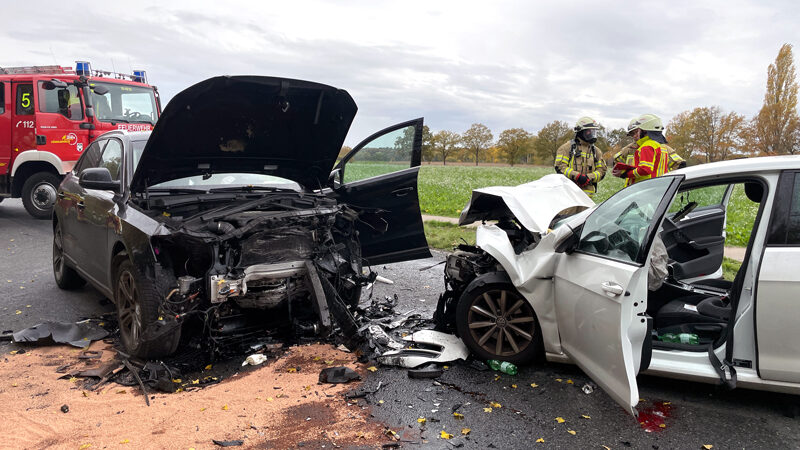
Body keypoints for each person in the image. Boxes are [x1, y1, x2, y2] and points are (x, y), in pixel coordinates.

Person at [613, 117, 687, 187]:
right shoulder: (628, 149)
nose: (634, 136)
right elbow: (616, 163)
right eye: (632, 134)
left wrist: (666, 178)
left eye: (636, 132)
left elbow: (680, 164)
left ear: (643, 130)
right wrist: (623, 173)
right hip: (635, 188)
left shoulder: (658, 147)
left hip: (648, 189)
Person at [554, 117, 607, 197]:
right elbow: (560, 167)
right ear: (580, 131)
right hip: (569, 196)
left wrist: (588, 178)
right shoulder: (566, 148)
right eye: (589, 131)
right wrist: (577, 176)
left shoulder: (596, 151)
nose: (592, 134)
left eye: (594, 131)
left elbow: (602, 171)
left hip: (588, 198)